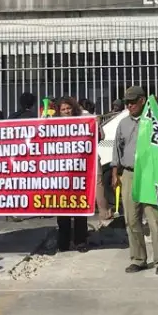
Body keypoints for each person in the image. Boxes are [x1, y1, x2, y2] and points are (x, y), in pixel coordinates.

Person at [112, 86, 158, 274]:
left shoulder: (157, 120)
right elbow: (117, 149)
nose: (129, 105)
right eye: (126, 102)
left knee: (156, 219)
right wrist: (115, 173)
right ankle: (138, 258)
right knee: (131, 219)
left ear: (142, 100)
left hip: (151, 174)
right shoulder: (123, 124)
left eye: (132, 101)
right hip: (129, 174)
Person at [55, 97, 89, 252]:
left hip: (79, 173)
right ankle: (63, 242)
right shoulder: (53, 126)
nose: (66, 112)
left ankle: (80, 241)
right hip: (60, 175)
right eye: (63, 109)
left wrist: (94, 124)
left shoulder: (83, 122)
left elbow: (98, 137)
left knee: (80, 208)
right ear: (58, 112)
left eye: (68, 108)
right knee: (62, 210)